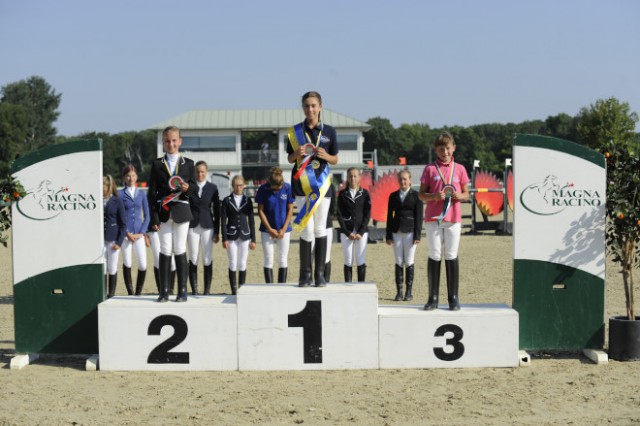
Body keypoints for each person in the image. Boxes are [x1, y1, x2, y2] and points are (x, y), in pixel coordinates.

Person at [286, 91, 339, 287]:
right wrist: (296, 153)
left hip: (323, 187)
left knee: (319, 228)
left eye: (314, 105)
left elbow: (335, 159)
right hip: (301, 187)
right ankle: (304, 275)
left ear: (320, 107)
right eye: (307, 106)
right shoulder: (294, 132)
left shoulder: (329, 131)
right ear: (303, 108)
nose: (310, 109)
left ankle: (320, 275)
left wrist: (326, 156)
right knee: (305, 229)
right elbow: (289, 159)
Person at [419, 132, 470, 311]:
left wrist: (459, 196)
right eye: (441, 149)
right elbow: (421, 194)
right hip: (433, 218)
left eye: (448, 148)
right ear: (436, 149)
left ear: (453, 148)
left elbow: (466, 194)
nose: (445, 152)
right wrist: (433, 196)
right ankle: (432, 297)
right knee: (434, 254)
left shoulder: (460, 169)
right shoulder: (430, 169)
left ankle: (453, 298)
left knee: (451, 254)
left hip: (453, 218)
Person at [147, 126, 196, 302]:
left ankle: (182, 290)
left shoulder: (188, 163)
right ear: (163, 142)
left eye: (174, 140)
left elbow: (194, 189)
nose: (171, 143)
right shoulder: (156, 164)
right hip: (164, 212)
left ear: (180, 141)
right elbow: (151, 193)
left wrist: (188, 188)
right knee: (165, 249)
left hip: (182, 211)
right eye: (167, 141)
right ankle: (164, 291)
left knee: (180, 248)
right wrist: (153, 216)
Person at [386, 169, 423, 301]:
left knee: (409, 261)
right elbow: (389, 216)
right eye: (401, 179)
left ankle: (409, 291)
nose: (403, 181)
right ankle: (399, 291)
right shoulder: (393, 196)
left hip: (410, 231)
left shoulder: (416, 195)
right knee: (398, 261)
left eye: (405, 179)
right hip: (396, 232)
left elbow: (419, 217)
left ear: (410, 180)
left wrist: (418, 235)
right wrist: (388, 235)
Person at [256, 167, 294, 283]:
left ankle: (281, 287)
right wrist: (269, 229)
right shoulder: (263, 189)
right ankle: (269, 288)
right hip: (267, 229)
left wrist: (283, 229)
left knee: (283, 259)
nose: (277, 191)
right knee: (268, 259)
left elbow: (290, 209)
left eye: (279, 189)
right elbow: (260, 211)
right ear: (270, 184)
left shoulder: (287, 187)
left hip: (284, 229)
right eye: (275, 189)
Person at [187, 161, 220, 295]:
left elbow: (217, 211)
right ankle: (194, 290)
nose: (200, 174)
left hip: (208, 225)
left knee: (207, 258)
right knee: (193, 257)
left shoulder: (213, 187)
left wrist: (217, 231)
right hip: (192, 226)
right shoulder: (189, 186)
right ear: (195, 172)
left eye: (202, 172)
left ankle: (207, 290)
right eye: (197, 172)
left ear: (206, 172)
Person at [221, 175, 256, 294]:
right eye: (236, 185)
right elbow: (223, 220)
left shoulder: (247, 200)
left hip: (245, 234)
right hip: (231, 234)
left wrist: (253, 239)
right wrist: (224, 238)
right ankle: (233, 290)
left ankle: (241, 289)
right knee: (232, 262)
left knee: (242, 263)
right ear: (232, 186)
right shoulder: (227, 200)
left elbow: (251, 220)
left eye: (241, 185)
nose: (239, 187)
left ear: (244, 186)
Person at [119, 165, 150, 296]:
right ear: (124, 178)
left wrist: (142, 232)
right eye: (128, 176)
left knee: (143, 264)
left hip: (139, 234)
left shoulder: (142, 194)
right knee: (127, 262)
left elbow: (147, 215)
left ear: (136, 177)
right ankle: (130, 292)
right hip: (126, 235)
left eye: (133, 175)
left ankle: (138, 292)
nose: (130, 178)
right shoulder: (120, 194)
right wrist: (126, 232)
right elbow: (118, 215)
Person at [337, 167, 371, 282]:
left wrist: (361, 232)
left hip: (361, 232)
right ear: (347, 178)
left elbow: (367, 214)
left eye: (355, 176)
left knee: (360, 259)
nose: (353, 178)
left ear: (359, 177)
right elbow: (339, 215)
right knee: (348, 260)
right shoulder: (342, 194)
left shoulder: (365, 193)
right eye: (350, 176)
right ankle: (348, 286)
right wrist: (347, 232)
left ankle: (361, 285)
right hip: (347, 232)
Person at [103, 175, 126, 298]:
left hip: (113, 239)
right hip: (100, 240)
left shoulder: (117, 200)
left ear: (109, 186)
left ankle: (111, 293)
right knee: (103, 268)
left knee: (112, 267)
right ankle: (102, 292)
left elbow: (123, 224)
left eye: (104, 185)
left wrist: (119, 242)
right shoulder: (96, 199)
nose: (101, 187)